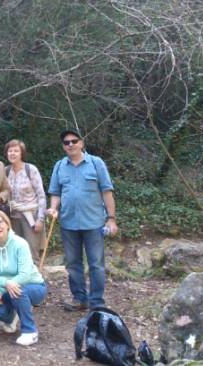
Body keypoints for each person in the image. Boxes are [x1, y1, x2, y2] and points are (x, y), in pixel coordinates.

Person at [46, 129, 118, 311]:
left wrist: (111, 219)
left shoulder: (96, 163)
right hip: (68, 223)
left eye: (74, 141)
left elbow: (107, 191)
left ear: (82, 143)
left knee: (96, 264)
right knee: (72, 264)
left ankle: (97, 303)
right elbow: (55, 192)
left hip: (94, 223)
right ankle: (79, 299)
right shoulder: (59, 166)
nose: (70, 144)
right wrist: (53, 208)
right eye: (66, 142)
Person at [0, 210, 47, 346]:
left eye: (0, 222)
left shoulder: (20, 243)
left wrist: (2, 289)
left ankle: (30, 331)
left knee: (17, 291)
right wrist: (5, 284)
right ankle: (11, 318)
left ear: (7, 224)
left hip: (34, 286)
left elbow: (25, 275)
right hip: (7, 288)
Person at [5, 139, 46, 265]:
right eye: (10, 151)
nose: (12, 153)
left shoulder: (30, 169)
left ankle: (35, 282)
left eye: (16, 151)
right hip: (12, 216)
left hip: (31, 217)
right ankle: (18, 283)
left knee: (32, 252)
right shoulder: (6, 171)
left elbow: (41, 195)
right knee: (14, 251)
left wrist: (40, 219)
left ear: (22, 153)